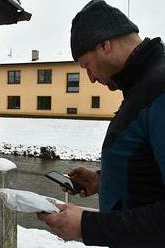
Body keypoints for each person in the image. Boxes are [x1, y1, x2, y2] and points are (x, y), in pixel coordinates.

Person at [37, 0, 165, 247]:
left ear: (105, 45)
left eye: (87, 66)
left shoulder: (159, 89)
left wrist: (87, 226)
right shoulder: (142, 87)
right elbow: (149, 176)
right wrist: (102, 181)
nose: (91, 78)